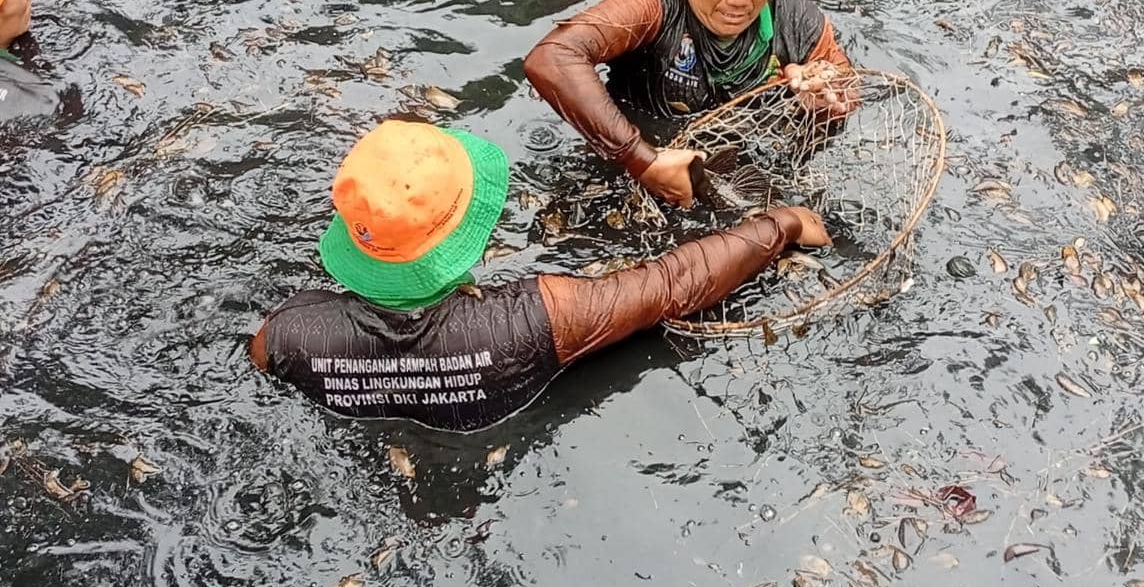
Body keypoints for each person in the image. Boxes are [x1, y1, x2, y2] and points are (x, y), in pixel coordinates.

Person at [249, 120, 833, 432]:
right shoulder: (535, 318)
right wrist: (779, 225)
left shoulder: (285, 336)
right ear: (467, 234)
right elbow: (671, 284)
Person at [524, 0, 858, 209]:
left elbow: (846, 90)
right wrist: (641, 159)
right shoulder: (652, 5)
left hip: (742, 175)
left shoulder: (799, 22)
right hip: (630, 170)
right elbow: (553, 57)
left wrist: (821, 99)